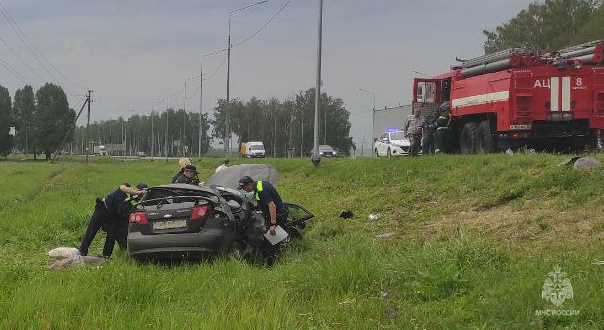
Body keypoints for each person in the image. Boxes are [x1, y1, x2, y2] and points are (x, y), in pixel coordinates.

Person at [79, 182, 148, 257]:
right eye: (140, 194)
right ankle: (82, 251)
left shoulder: (135, 202)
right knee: (92, 229)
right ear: (136, 189)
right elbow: (122, 187)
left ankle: (106, 256)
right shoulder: (127, 188)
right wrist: (139, 192)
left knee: (111, 234)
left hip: (113, 215)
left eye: (142, 196)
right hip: (103, 208)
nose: (140, 196)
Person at [238, 175, 288, 265]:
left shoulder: (261, 190)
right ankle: (275, 256)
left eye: (244, 187)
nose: (244, 190)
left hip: (278, 215)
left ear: (250, 184)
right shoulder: (259, 184)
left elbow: (272, 206)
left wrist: (273, 224)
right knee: (269, 238)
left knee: (271, 240)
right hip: (272, 215)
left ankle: (272, 263)